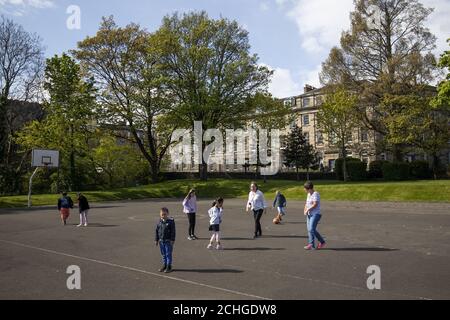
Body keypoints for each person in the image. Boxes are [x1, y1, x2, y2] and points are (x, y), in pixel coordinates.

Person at [303, 181, 326, 250]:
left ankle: (322, 242)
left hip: (316, 214)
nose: (304, 190)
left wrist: (308, 209)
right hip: (309, 214)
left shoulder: (315, 194)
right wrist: (305, 210)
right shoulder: (308, 194)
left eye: (305, 189)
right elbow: (306, 204)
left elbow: (315, 204)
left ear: (309, 189)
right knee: (309, 230)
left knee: (311, 229)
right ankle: (311, 244)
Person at [155, 207, 176, 273]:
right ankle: (164, 265)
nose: (163, 216)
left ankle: (168, 266)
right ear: (160, 214)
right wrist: (156, 239)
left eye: (165, 214)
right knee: (163, 254)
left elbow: (173, 231)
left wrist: (172, 240)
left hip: (168, 241)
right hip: (161, 241)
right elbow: (157, 231)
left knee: (168, 254)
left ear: (168, 214)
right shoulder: (159, 222)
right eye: (162, 214)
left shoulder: (170, 222)